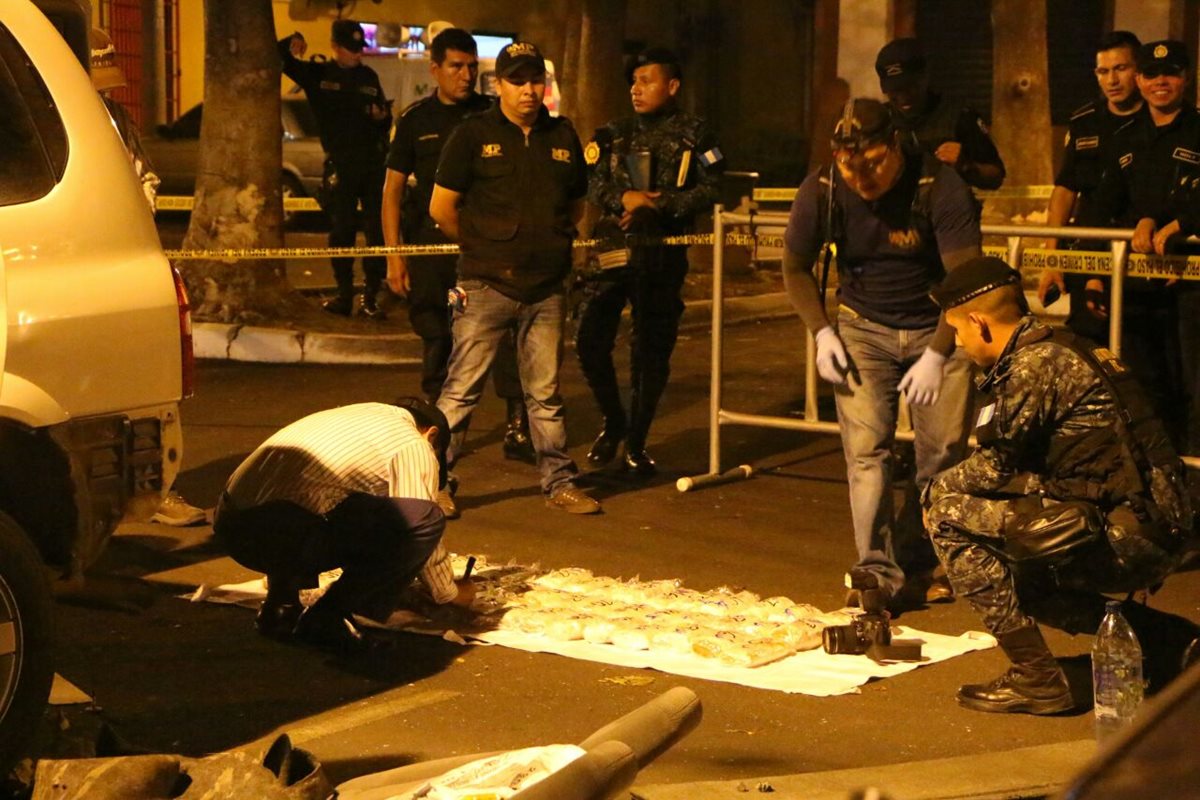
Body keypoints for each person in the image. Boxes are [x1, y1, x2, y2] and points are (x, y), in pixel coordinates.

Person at [925, 256, 1198, 715]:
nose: (958, 342)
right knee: (1022, 573)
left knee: (947, 517)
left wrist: (934, 489)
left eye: (957, 331)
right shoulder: (1060, 346)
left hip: (1129, 532)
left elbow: (993, 468)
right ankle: (1174, 643)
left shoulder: (1033, 366)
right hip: (1150, 519)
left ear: (980, 323)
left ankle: (1037, 678)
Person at [782, 98, 981, 606]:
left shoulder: (941, 186)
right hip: (863, 328)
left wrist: (938, 352)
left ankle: (924, 559)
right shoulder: (822, 189)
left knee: (940, 456)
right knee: (867, 454)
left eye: (871, 162)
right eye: (849, 164)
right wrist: (822, 332)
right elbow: (794, 267)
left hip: (937, 322)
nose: (861, 176)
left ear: (895, 146)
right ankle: (876, 571)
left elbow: (964, 282)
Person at [430, 42, 600, 514]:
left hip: (546, 288)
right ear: (499, 84)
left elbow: (575, 205)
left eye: (535, 80)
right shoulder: (472, 134)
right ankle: (434, 483)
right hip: (485, 285)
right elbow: (442, 209)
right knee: (461, 392)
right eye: (517, 80)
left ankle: (560, 483)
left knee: (544, 394)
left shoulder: (562, 135)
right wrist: (485, 246)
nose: (528, 90)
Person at [382, 27, 533, 469]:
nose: (466, 75)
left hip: (488, 249)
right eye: (456, 66)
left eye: (472, 66)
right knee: (436, 337)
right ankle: (437, 425)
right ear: (435, 69)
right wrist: (395, 253)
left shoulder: (492, 116)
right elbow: (391, 191)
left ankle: (517, 423)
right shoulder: (415, 121)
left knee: (507, 336)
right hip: (433, 249)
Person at [213, 399, 475, 651]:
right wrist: (449, 592)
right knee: (425, 518)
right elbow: (415, 518)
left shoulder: (359, 417)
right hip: (283, 531)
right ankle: (329, 617)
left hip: (231, 525)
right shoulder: (412, 442)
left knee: (322, 494)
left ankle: (281, 607)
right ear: (431, 435)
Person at [576, 47, 724, 476]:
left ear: (672, 86)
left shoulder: (697, 135)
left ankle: (637, 439)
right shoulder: (613, 134)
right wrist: (622, 198)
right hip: (613, 250)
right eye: (633, 82)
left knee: (651, 351)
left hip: (662, 254)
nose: (636, 89)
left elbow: (714, 186)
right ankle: (614, 418)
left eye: (647, 80)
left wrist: (665, 206)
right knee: (589, 338)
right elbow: (592, 179)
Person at [91, 27, 205, 528]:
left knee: (151, 388)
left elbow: (146, 175)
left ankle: (156, 490)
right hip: (89, 271)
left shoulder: (116, 119)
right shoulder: (57, 126)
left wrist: (140, 208)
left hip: (130, 263)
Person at [1088, 40, 1200, 453]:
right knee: (1141, 389)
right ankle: (1157, 481)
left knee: (1194, 389)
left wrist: (1180, 222)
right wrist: (1097, 277)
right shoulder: (1125, 138)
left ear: (1186, 77)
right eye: (1152, 75)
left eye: (1170, 73)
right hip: (1136, 287)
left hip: (1190, 287)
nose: (1160, 82)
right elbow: (1103, 209)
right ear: (1140, 80)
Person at [279, 20, 392, 319]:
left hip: (371, 163)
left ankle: (370, 296)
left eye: (360, 49)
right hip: (341, 163)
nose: (357, 54)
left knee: (375, 230)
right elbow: (279, 58)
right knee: (341, 229)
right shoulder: (319, 74)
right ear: (335, 47)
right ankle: (343, 294)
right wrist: (294, 38)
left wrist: (382, 118)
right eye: (351, 49)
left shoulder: (368, 76)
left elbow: (385, 118)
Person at [1038, 31, 1145, 344]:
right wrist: (1052, 260)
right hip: (1088, 254)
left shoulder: (1157, 120)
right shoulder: (1085, 120)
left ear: (1139, 69)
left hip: (1139, 259)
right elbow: (1065, 190)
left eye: (1120, 69)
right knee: (1089, 348)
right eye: (1103, 71)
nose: (1111, 80)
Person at [875, 37, 1005, 191]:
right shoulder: (878, 121)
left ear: (925, 77)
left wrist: (965, 165)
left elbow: (996, 176)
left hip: (948, 211)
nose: (903, 97)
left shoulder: (958, 116)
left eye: (910, 87)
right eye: (895, 90)